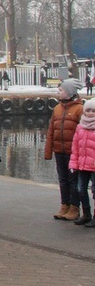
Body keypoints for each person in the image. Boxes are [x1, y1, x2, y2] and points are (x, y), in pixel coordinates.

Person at [46, 79, 84, 221]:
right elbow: (51, 130)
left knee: (73, 180)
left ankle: (75, 207)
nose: (58, 92)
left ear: (69, 92)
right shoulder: (57, 108)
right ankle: (64, 205)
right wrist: (49, 150)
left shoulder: (79, 109)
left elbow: (83, 132)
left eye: (61, 90)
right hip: (59, 151)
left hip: (73, 153)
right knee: (62, 179)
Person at [69, 98, 95, 226]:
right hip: (82, 165)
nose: (90, 113)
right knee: (81, 189)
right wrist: (73, 164)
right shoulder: (80, 127)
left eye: (93, 111)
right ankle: (86, 214)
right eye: (88, 110)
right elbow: (75, 148)